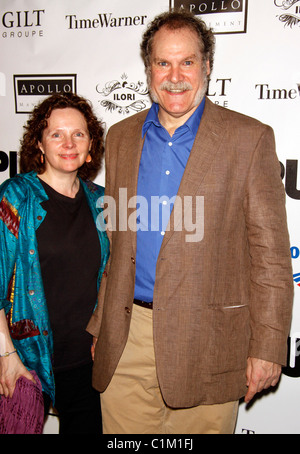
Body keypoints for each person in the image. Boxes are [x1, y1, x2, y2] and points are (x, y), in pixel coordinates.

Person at [87, 10, 294, 434]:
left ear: (208, 67)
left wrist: (269, 346)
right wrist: (100, 324)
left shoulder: (249, 139)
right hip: (128, 337)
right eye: (163, 62)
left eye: (188, 62)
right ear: (148, 72)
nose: (175, 75)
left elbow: (271, 259)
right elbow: (117, 243)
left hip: (210, 340)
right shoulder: (122, 136)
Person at [0, 92, 109, 434]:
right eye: (56, 134)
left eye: (78, 134)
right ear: (40, 144)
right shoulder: (16, 196)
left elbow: (111, 277)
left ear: (91, 143)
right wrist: (5, 357)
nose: (69, 143)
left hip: (87, 363)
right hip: (26, 360)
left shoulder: (101, 201)